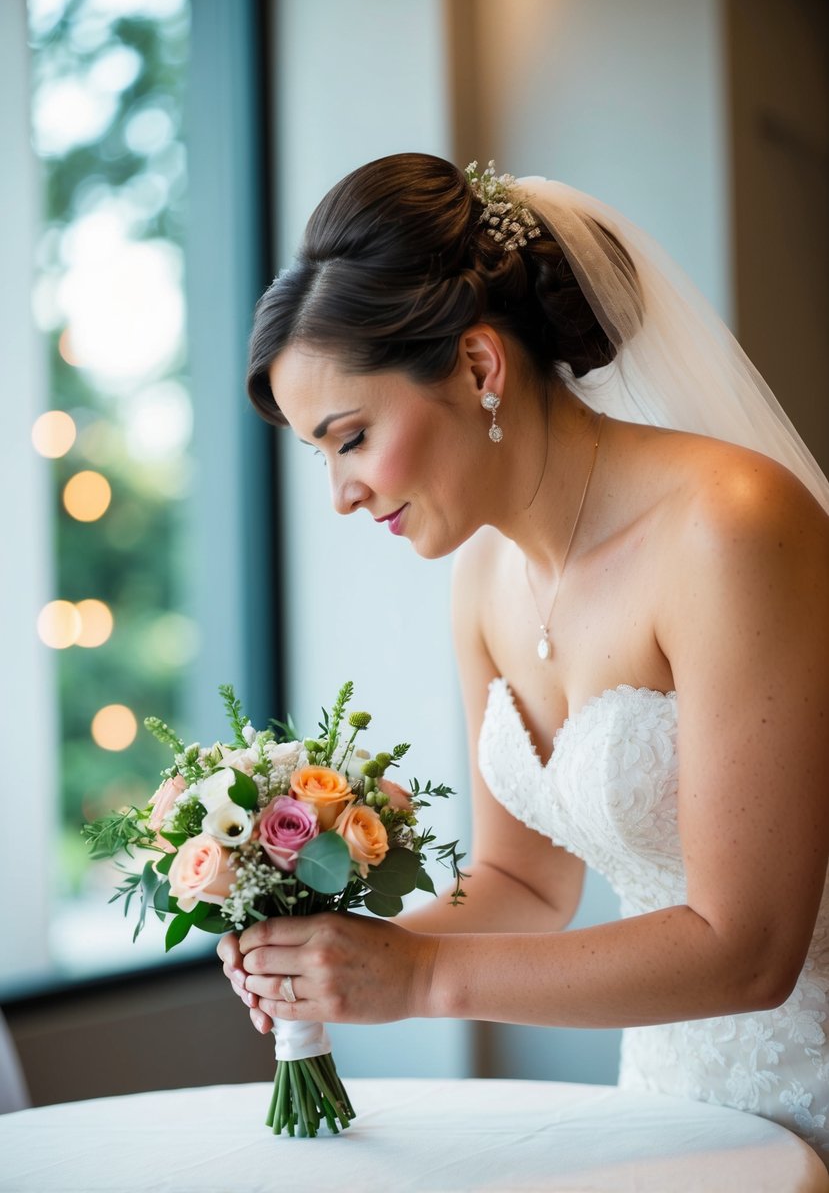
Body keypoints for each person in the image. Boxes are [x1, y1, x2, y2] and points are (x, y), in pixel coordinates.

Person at [218, 153, 829, 1161]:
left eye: (353, 437)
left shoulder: (730, 526)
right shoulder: (482, 580)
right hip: (673, 1108)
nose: (341, 494)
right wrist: (337, 958)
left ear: (477, 366)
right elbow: (523, 880)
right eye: (319, 455)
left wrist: (415, 982)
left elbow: (748, 948)